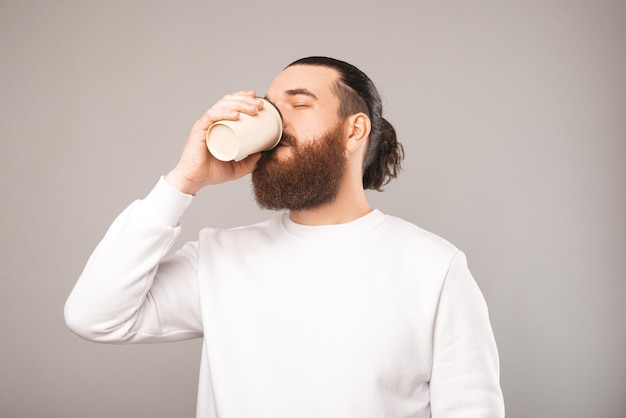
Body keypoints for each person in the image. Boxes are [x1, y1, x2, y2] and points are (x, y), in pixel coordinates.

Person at [65, 56, 505, 417]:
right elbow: (95, 315)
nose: (270, 118)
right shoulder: (220, 257)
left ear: (353, 130)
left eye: (298, 103)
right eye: (268, 105)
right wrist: (184, 180)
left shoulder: (434, 266)